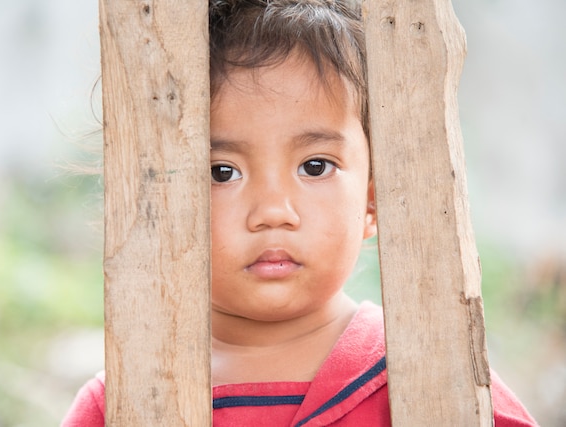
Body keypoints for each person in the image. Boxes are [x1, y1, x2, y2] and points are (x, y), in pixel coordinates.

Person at [62, 0, 537, 425]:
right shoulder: (122, 404)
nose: (273, 212)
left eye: (315, 166)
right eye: (222, 172)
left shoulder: (437, 379)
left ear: (373, 202)